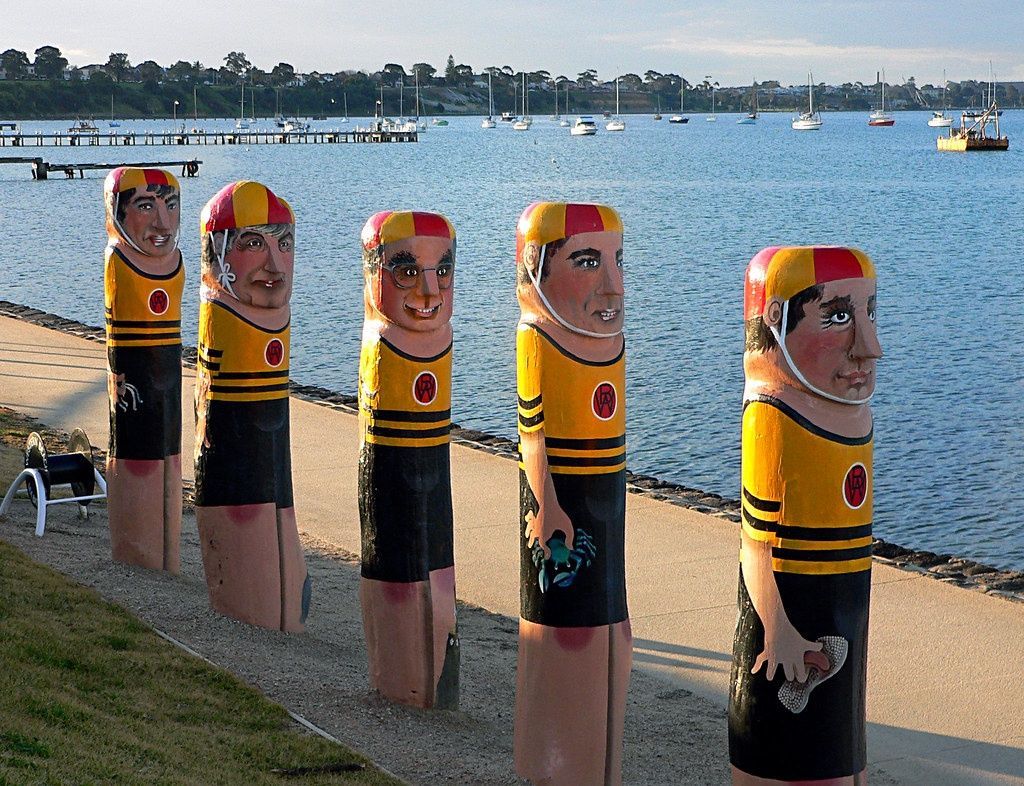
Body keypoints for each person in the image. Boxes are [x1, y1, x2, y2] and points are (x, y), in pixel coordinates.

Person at [729, 246, 882, 785]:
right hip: (788, 623)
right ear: (775, 321)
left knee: (841, 750)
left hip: (844, 604)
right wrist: (780, 631)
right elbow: (755, 543)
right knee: (796, 758)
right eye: (839, 316)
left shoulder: (854, 418)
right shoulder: (772, 415)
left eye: (869, 313)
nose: (871, 348)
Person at [513, 202, 631, 785]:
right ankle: (558, 765)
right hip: (563, 509)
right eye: (588, 261)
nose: (613, 284)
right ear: (535, 269)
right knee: (570, 637)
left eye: (617, 260)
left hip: (608, 499)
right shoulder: (538, 339)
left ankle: (601, 767)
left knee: (616, 635)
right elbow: (532, 434)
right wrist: (548, 504)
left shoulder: (610, 343)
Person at [193, 180, 309, 632]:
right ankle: (250, 608)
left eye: (284, 243)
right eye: (253, 243)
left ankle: (279, 604)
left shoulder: (275, 318)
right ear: (217, 254)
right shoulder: (222, 312)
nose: (274, 264)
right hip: (233, 476)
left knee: (279, 507)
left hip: (274, 470)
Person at [358, 210, 459, 709]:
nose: (429, 291)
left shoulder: (443, 337)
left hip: (434, 474)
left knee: (439, 570)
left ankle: (437, 677)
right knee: (397, 562)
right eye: (407, 271)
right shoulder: (381, 340)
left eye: (443, 270)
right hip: (391, 472)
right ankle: (400, 681)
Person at [103, 166, 184, 572]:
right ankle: (139, 555)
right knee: (139, 460)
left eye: (171, 205)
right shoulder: (118, 259)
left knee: (171, 464)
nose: (163, 222)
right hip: (133, 374)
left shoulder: (177, 261)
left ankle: (167, 556)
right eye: (146, 206)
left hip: (168, 372)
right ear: (116, 212)